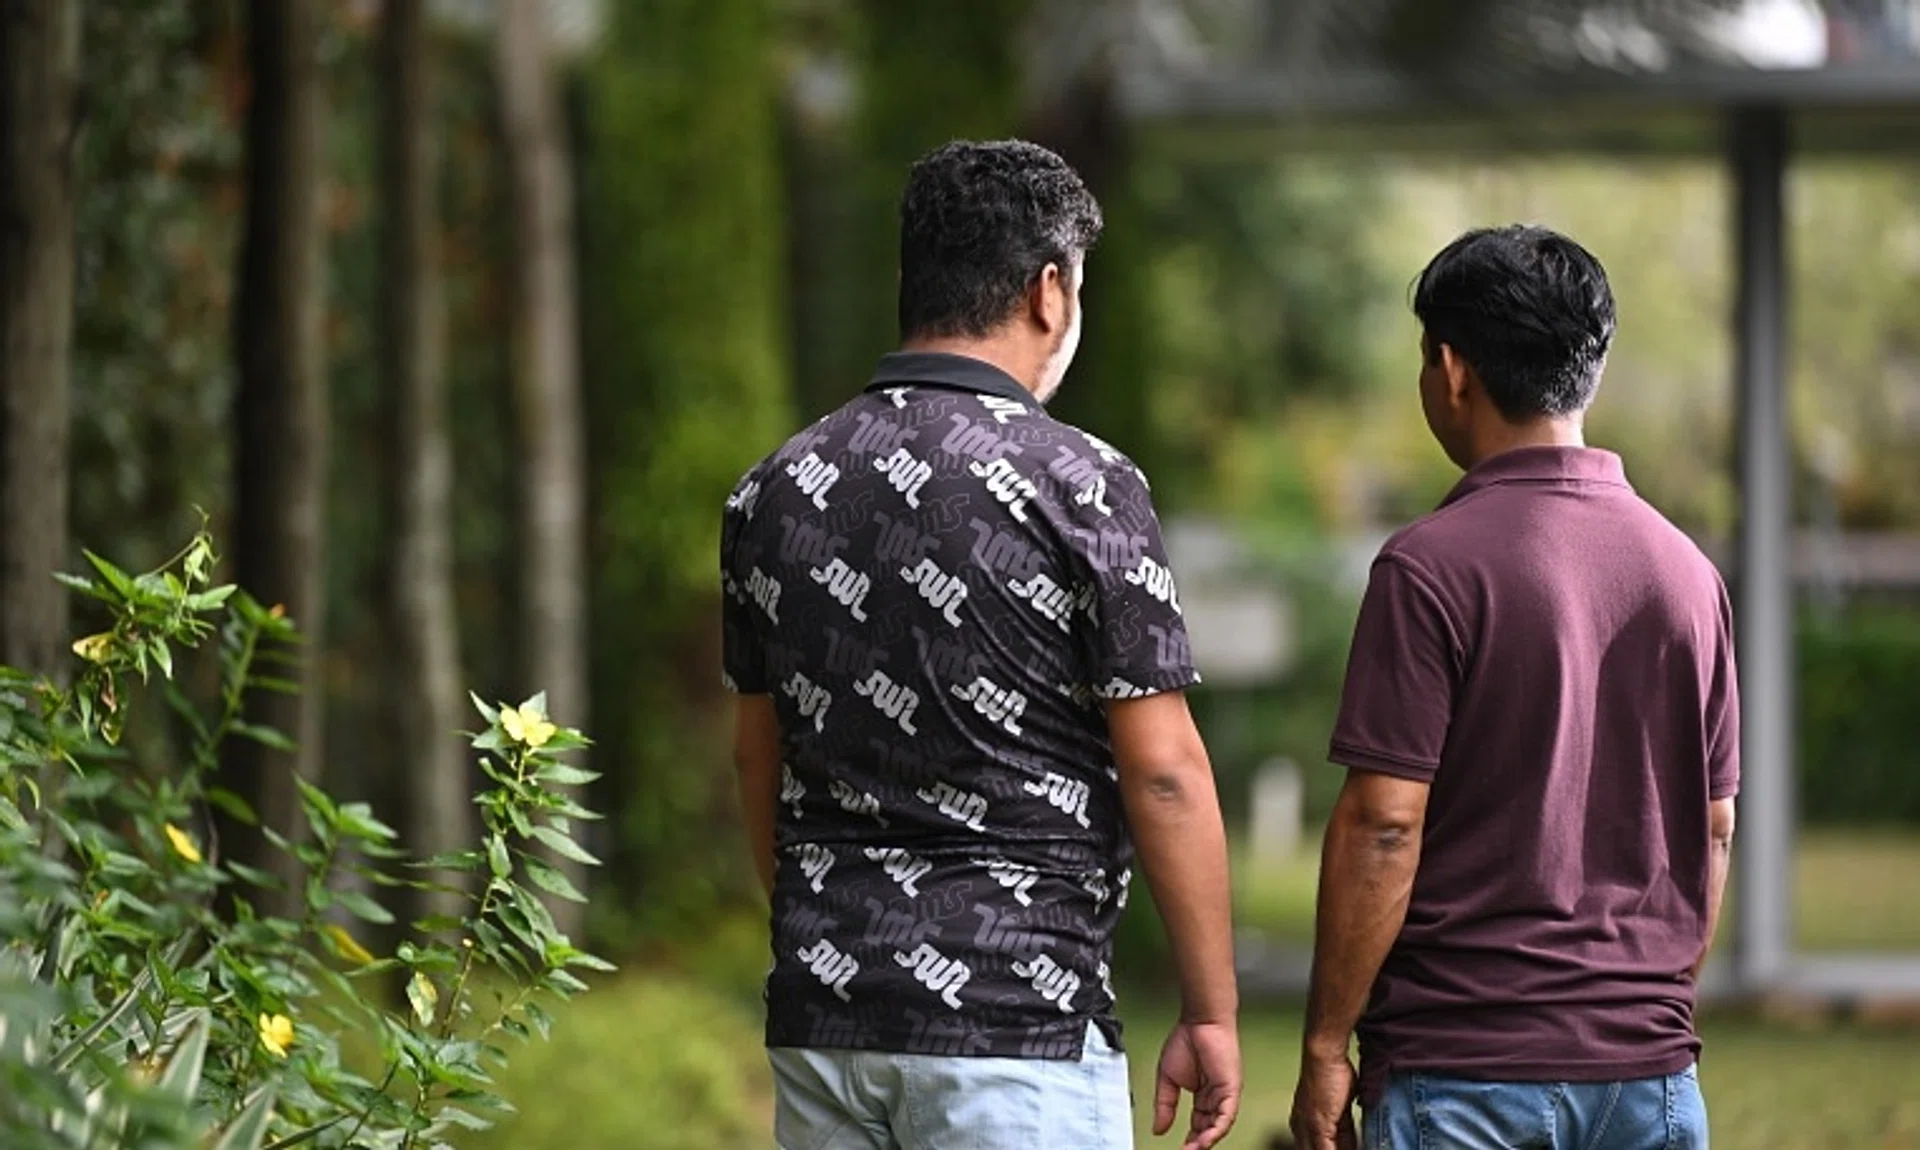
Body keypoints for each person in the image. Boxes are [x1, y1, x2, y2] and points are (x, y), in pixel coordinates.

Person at [721, 139, 1241, 1150]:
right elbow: (1165, 772)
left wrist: (830, 940)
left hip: (826, 1025)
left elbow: (757, 753)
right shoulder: (1082, 482)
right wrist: (1213, 1011)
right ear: (1051, 291)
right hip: (1017, 1028)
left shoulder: (773, 487)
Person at [1289, 225, 1740, 1150]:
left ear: (1451, 369)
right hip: (1649, 1079)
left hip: (1462, 1073)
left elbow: (1385, 819)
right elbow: (1717, 824)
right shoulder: (1690, 576)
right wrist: (1634, 1004)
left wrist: (1328, 1045)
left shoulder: (1427, 568)